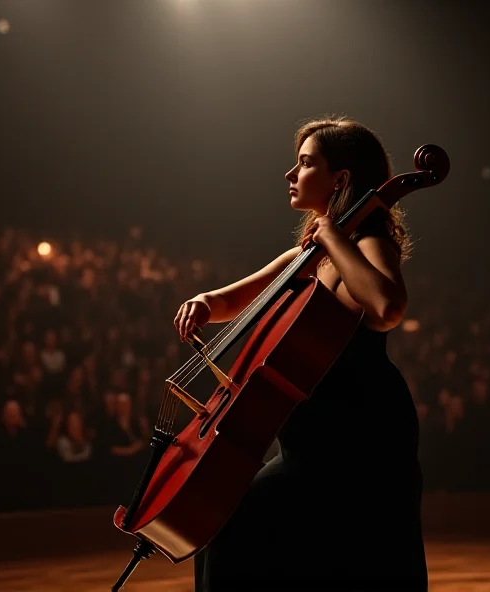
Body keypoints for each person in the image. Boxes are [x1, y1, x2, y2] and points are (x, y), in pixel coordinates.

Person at [174, 115, 428, 591]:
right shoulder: (304, 258)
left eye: (305, 163)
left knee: (248, 532)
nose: (291, 175)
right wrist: (205, 303)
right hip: (308, 438)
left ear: (341, 179)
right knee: (233, 530)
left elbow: (386, 305)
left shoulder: (368, 242)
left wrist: (332, 234)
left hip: (362, 438)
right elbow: (232, 299)